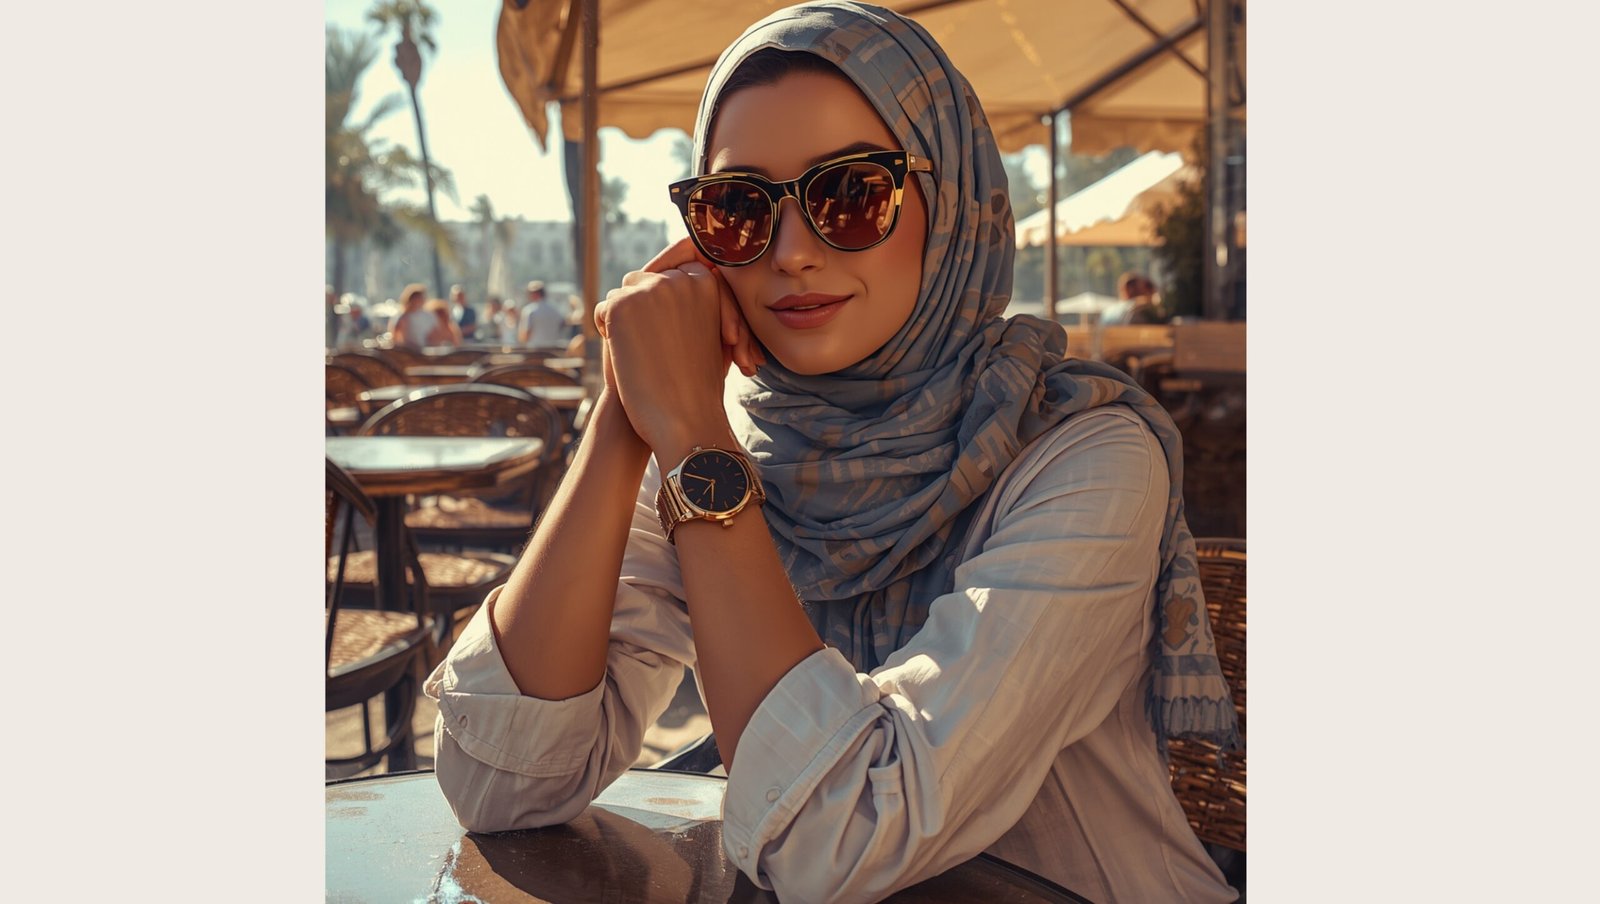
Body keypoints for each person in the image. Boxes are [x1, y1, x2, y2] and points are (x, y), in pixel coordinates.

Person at [425, 5, 1239, 903]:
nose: (792, 253)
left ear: (952, 204)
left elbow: (841, 835)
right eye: (739, 208)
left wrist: (691, 437)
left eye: (851, 194)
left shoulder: (1083, 458)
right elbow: (503, 787)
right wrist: (626, 412)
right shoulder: (718, 443)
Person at [516, 279, 568, 348]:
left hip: (535, 349)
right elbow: (563, 324)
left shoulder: (529, 310)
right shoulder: (555, 309)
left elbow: (525, 334)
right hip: (553, 349)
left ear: (535, 294)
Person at [388, 283, 435, 348]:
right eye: (416, 298)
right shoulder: (402, 317)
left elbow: (434, 333)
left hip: (425, 349)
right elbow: (396, 337)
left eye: (421, 298)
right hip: (409, 350)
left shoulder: (428, 316)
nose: (419, 301)